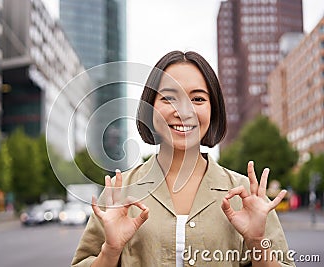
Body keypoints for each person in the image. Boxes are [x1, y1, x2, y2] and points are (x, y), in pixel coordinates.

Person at [71, 51, 295, 266]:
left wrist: (257, 243)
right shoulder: (120, 193)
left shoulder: (246, 194)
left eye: (198, 99)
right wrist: (110, 250)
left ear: (213, 110)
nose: (184, 111)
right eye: (169, 98)